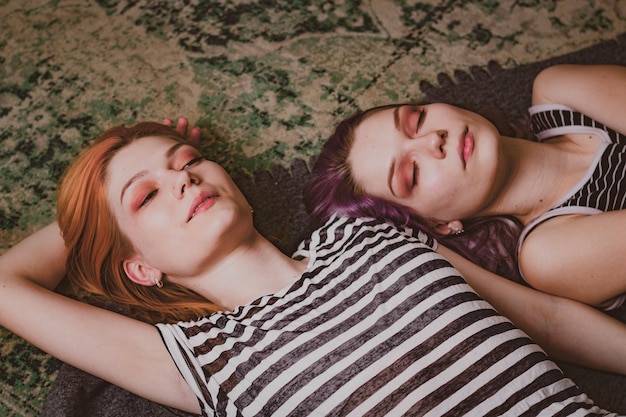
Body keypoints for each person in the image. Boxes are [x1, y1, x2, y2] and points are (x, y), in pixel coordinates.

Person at [0, 121, 621, 415]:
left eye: (186, 160)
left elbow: (543, 318)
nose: (182, 177)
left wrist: (137, 181)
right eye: (150, 196)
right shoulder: (197, 356)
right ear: (139, 269)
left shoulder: (363, 232)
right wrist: (95, 209)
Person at [305, 63, 626, 311]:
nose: (433, 139)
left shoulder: (558, 92)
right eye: (412, 174)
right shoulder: (548, 255)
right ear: (439, 225)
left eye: (416, 120)